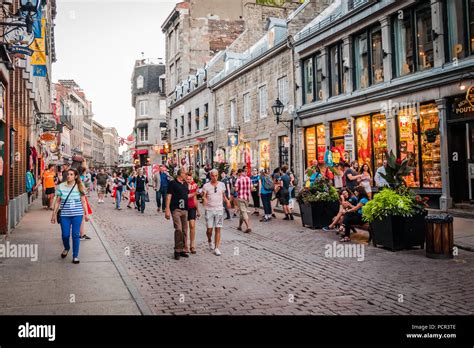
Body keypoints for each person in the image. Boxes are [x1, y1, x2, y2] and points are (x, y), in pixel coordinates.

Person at [51, 168, 90, 264]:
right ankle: (67, 247)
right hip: (65, 215)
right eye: (68, 174)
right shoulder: (61, 186)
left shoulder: (80, 186)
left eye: (71, 174)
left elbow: (83, 201)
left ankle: (75, 256)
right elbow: (57, 201)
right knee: (65, 235)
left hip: (77, 214)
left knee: (75, 235)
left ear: (75, 176)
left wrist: (86, 214)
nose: (69, 176)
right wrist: (53, 215)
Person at [202, 169, 231, 256]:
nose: (214, 177)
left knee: (218, 228)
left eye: (216, 176)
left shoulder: (222, 185)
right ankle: (210, 240)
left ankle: (217, 248)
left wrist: (227, 201)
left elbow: (223, 195)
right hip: (209, 210)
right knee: (209, 230)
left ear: (218, 176)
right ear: (210, 176)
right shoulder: (206, 186)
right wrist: (204, 199)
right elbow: (204, 196)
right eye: (213, 176)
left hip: (219, 210)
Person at [165, 169, 191, 260]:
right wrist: (167, 209)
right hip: (176, 209)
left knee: (184, 230)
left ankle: (183, 249)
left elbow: (186, 196)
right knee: (178, 229)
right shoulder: (172, 183)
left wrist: (196, 193)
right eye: (185, 173)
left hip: (185, 210)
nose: (186, 175)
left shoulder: (185, 184)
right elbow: (169, 196)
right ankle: (177, 250)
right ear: (180, 174)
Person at [185, 173, 200, 254]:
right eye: (187, 179)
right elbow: (186, 196)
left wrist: (198, 210)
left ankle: (192, 245)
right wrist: (195, 193)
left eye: (190, 179)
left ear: (192, 179)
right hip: (184, 208)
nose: (189, 180)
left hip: (192, 208)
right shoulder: (183, 185)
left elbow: (195, 198)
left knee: (192, 225)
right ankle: (185, 245)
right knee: (185, 227)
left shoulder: (194, 186)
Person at [235, 168, 252, 233]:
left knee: (244, 212)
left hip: (241, 197)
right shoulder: (249, 179)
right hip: (247, 198)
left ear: (240, 173)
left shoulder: (238, 179)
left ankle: (248, 227)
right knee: (242, 212)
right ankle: (239, 226)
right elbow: (251, 188)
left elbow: (236, 189)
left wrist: (236, 188)